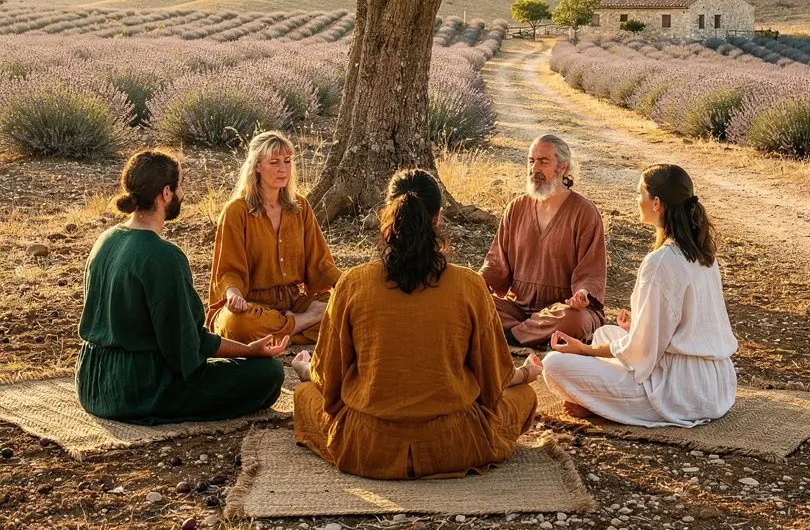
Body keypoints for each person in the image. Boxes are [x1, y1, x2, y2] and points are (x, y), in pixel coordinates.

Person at [292, 168, 542, 479]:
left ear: (385, 215)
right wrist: (526, 374)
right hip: (456, 444)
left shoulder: (352, 283)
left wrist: (305, 372)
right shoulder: (469, 285)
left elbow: (329, 383)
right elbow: (494, 384)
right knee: (525, 397)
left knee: (304, 397)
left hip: (367, 447)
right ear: (438, 217)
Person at [76, 149, 289, 424]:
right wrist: (251, 351)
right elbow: (187, 346)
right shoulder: (163, 256)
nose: (183, 194)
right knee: (269, 373)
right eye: (180, 187)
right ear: (166, 194)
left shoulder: (106, 239)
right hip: (138, 391)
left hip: (91, 383)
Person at [542, 164, 738, 427]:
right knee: (606, 333)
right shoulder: (703, 256)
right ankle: (601, 400)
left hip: (681, 393)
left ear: (656, 203)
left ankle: (601, 404)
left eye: (639, 193)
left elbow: (640, 351)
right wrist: (636, 325)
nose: (636, 200)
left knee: (554, 364)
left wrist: (584, 350)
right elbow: (685, 328)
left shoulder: (661, 261)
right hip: (717, 385)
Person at [206, 130, 338, 345]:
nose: (283, 169)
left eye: (287, 161)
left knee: (344, 307)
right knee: (236, 325)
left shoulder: (300, 206)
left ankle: (284, 330)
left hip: (293, 302)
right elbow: (227, 269)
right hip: (252, 307)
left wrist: (350, 286)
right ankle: (303, 324)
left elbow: (320, 263)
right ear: (257, 166)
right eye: (274, 162)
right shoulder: (236, 211)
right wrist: (233, 295)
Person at [480, 135, 607, 348]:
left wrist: (582, 294)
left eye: (543, 162)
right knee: (476, 304)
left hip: (563, 311)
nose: (534, 168)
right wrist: (473, 284)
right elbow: (496, 263)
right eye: (531, 161)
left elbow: (591, 271)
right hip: (518, 308)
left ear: (563, 167)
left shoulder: (584, 212)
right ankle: (532, 334)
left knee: (574, 321)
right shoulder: (516, 207)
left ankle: (512, 336)